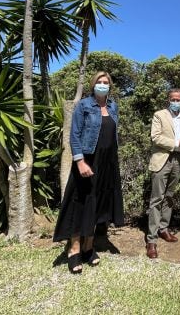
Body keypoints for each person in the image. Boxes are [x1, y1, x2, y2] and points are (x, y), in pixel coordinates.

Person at [53, 71, 125, 273]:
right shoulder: (84, 105)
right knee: (81, 204)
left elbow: (111, 135)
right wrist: (80, 161)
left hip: (107, 163)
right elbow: (74, 135)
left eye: (106, 83)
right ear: (93, 85)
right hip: (88, 161)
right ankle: (74, 249)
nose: (103, 85)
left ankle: (88, 247)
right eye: (99, 82)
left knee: (99, 204)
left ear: (110, 86)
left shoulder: (113, 106)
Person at [145, 88, 180, 259]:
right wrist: (177, 143)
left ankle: (163, 229)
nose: (175, 102)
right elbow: (155, 137)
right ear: (168, 100)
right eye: (173, 99)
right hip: (162, 159)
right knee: (156, 199)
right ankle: (151, 240)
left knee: (170, 197)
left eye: (178, 99)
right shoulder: (159, 115)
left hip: (179, 159)